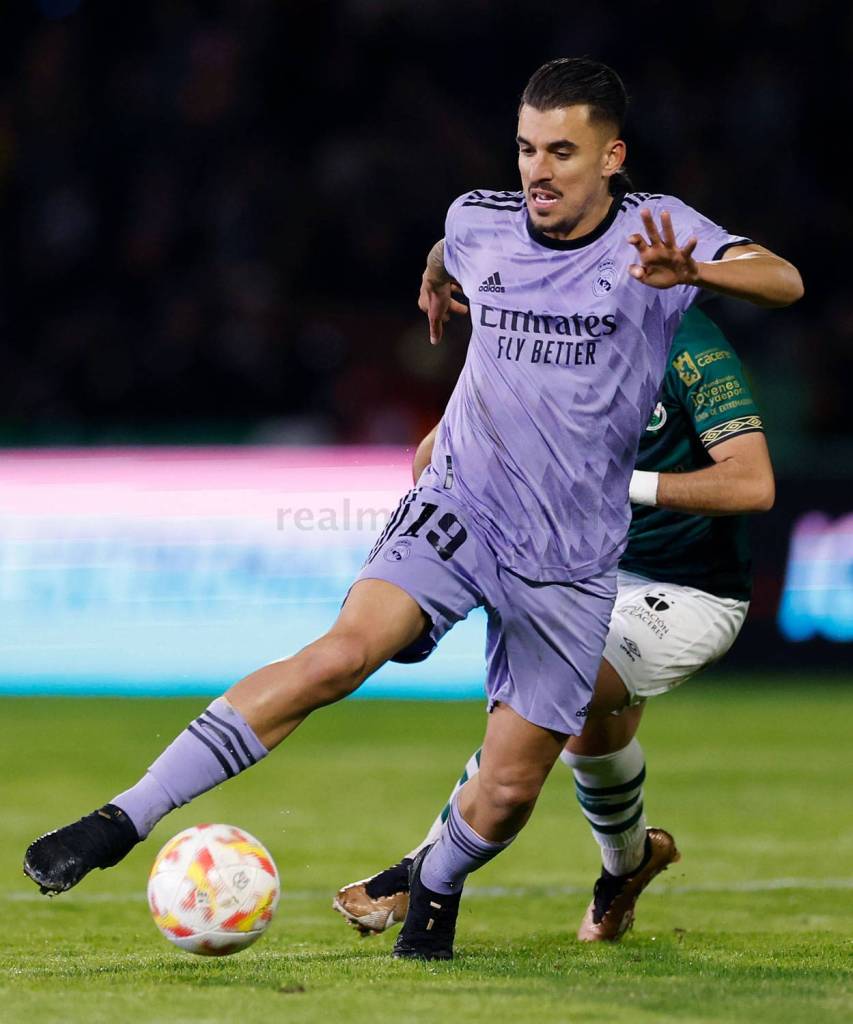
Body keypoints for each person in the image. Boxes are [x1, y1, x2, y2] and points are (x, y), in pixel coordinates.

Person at [24, 58, 802, 961]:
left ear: (610, 157)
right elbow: (452, 247)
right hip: (461, 504)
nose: (538, 171)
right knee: (340, 655)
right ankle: (121, 819)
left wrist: (695, 271)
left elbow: (783, 279)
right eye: (526, 149)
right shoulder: (479, 220)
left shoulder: (654, 234)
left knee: (508, 789)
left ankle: (435, 883)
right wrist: (435, 277)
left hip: (571, 553)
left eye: (561, 152)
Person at [333, 305, 774, 942]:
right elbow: (433, 456)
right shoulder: (541, 332)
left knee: (549, 700)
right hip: (584, 573)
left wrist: (618, 483)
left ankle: (418, 868)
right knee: (588, 737)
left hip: (687, 591)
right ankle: (629, 863)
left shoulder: (687, 343)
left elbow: (753, 484)